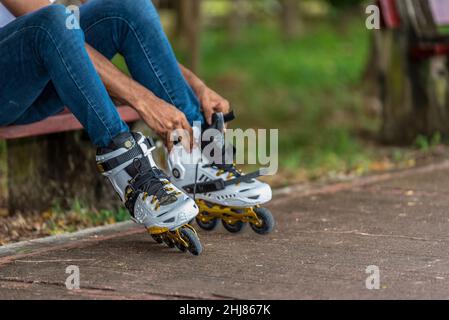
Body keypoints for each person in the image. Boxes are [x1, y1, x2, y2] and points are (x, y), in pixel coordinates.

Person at [0, 0, 272, 255]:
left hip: (32, 81)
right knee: (55, 20)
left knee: (127, 6)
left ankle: (194, 155)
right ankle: (131, 173)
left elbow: (104, 35)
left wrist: (196, 86)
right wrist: (143, 100)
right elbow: (55, 30)